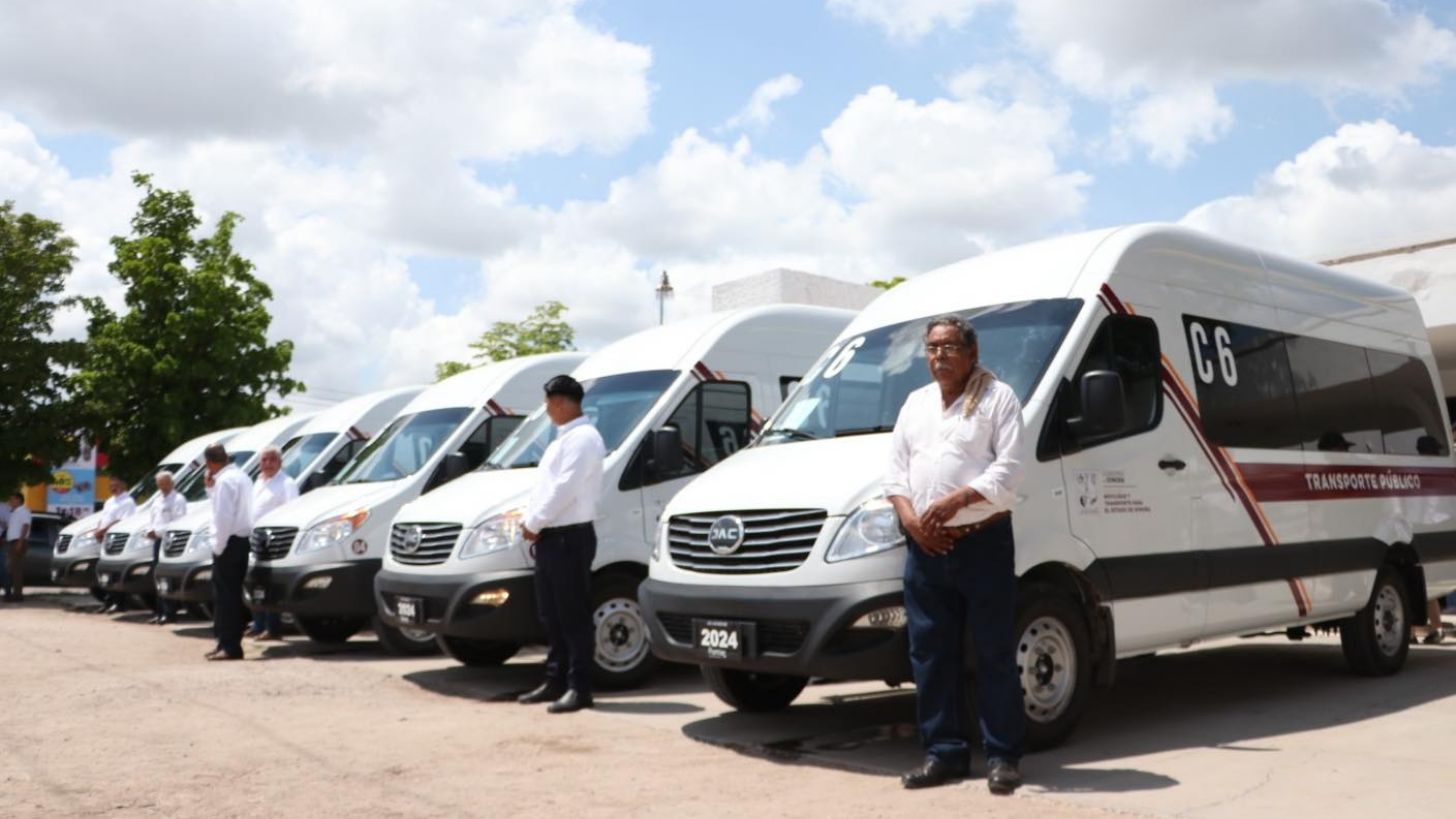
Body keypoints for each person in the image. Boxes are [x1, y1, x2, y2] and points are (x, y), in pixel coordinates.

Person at [884, 314, 1027, 795]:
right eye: (932, 348)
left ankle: (1003, 756)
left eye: (948, 347)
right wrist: (911, 521)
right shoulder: (915, 403)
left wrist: (956, 501)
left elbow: (1010, 470)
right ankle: (943, 754)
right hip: (925, 548)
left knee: (993, 652)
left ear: (972, 353)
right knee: (930, 654)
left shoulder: (998, 398)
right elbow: (895, 474)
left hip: (982, 542)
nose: (939, 356)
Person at [516, 375, 606, 714]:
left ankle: (579, 688)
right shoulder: (562, 439)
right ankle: (555, 680)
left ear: (560, 402)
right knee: (551, 615)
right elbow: (544, 488)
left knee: (573, 616)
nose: (547, 410)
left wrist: (535, 522)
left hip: (570, 537)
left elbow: (565, 487)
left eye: (548, 403)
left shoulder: (583, 438)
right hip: (552, 537)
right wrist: (532, 520)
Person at [203, 443, 254, 661]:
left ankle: (230, 646)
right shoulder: (242, 477)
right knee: (230, 595)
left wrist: (218, 547)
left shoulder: (224, 481)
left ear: (209, 462)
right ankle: (225, 642)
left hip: (228, 543)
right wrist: (209, 488)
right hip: (241, 540)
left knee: (226, 598)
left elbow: (223, 517)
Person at [246, 446, 297, 640]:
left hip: (273, 540)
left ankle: (272, 627)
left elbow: (292, 511)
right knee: (255, 582)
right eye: (264, 460)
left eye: (272, 459)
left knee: (270, 584)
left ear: (280, 462)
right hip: (254, 537)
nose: (267, 463)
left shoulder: (287, 483)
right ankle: (258, 623)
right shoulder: (258, 482)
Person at [145, 471, 188, 625]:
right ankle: (159, 611)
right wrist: (150, 531)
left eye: (164, 483)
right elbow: (153, 520)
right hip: (157, 541)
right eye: (159, 484)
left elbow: (179, 522)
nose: (162, 487)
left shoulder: (178, 499)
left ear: (171, 483)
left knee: (167, 577)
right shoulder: (157, 500)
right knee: (157, 576)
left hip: (170, 541)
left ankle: (169, 613)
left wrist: (158, 532)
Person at [94, 476, 137, 614]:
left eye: (116, 485)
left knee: (115, 572)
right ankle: (108, 601)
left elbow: (122, 521)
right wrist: (98, 529)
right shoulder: (109, 501)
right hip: (106, 539)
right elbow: (104, 518)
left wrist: (103, 530)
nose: (113, 488)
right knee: (105, 572)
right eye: (111, 485)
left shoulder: (128, 502)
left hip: (118, 541)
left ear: (123, 485)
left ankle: (119, 603)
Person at [4, 492, 33, 602]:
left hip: (18, 541)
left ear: (19, 500)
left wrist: (20, 542)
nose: (10, 502)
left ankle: (18, 595)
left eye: (12, 499)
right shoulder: (14, 512)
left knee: (16, 569)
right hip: (13, 542)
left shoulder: (23, 511)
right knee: (13, 569)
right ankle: (15, 593)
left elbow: (26, 526)